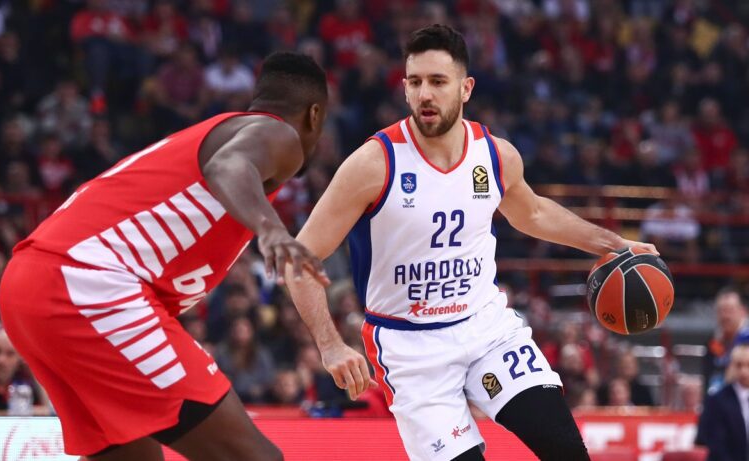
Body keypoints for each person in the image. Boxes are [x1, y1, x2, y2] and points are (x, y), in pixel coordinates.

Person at [285, 25, 658, 461]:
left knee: (567, 451)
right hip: (411, 349)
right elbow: (298, 259)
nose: (425, 94)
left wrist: (613, 244)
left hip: (485, 329)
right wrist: (330, 344)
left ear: (466, 88)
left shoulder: (495, 155)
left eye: (438, 81)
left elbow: (534, 214)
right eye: (415, 82)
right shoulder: (373, 163)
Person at [0, 52, 330, 461]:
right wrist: (273, 230)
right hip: (85, 285)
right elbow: (229, 165)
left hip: (29, 287)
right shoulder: (278, 134)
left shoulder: (215, 135)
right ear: (314, 115)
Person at [696, 344, 749, 461]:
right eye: (739, 365)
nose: (744, 371)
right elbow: (714, 443)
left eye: (748, 365)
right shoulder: (717, 401)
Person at [703, 287, 748, 396]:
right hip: (717, 400)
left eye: (730, 310)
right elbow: (707, 377)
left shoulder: (747, 340)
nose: (725, 316)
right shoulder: (713, 343)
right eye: (721, 311)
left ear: (743, 312)